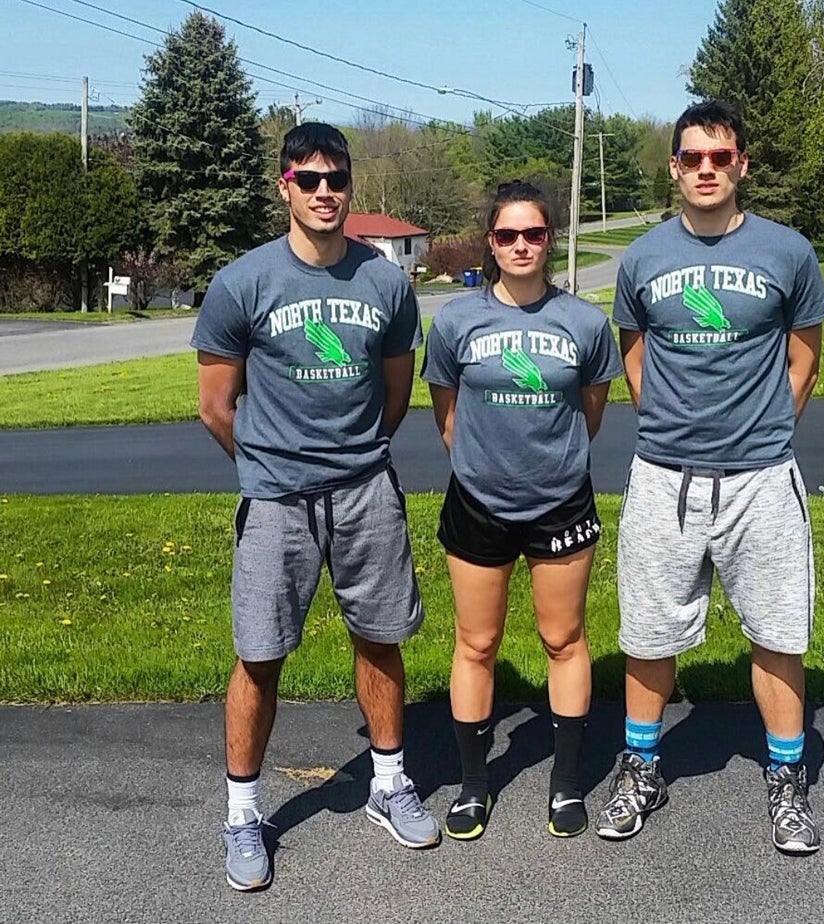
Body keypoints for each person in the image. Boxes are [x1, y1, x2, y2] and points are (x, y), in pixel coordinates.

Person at [192, 122, 440, 892]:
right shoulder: (243, 282)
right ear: (285, 186)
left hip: (365, 489)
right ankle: (243, 815)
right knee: (259, 655)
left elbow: (395, 393)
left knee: (381, 637)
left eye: (336, 179)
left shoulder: (386, 284)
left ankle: (388, 785)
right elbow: (215, 405)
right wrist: (269, 466)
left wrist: (355, 456)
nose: (324, 192)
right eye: (309, 179)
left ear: (350, 187)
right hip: (276, 500)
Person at [596, 100, 824, 854]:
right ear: (674, 166)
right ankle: (641, 769)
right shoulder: (642, 259)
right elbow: (635, 358)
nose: (706, 169)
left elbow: (805, 358)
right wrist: (671, 424)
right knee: (647, 636)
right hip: (665, 475)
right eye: (693, 157)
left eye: (720, 157)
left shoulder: (787, 252)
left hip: (763, 479)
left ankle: (787, 784)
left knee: (778, 635)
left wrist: (763, 429)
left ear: (741, 165)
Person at [421, 180, 622, 840]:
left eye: (533, 233)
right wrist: (484, 462)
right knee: (477, 643)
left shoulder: (585, 324)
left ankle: (566, 785)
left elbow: (589, 411)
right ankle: (476, 786)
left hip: (561, 502)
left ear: (549, 238)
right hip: (478, 503)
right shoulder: (455, 321)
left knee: (563, 640)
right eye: (506, 235)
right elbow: (446, 413)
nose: (520, 245)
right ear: (490, 241)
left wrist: (549, 460)